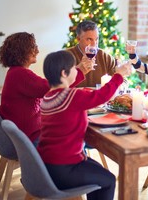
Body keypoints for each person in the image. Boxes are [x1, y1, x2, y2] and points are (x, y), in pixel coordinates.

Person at [37, 50, 130, 200]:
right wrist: (119, 75)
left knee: (99, 173)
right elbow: (102, 96)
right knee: (109, 180)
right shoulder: (72, 96)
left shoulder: (47, 97)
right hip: (65, 168)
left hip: (47, 166)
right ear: (64, 73)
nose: (77, 70)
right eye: (74, 67)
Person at [0, 32, 91, 145]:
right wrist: (80, 71)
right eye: (33, 47)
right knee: (76, 134)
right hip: (28, 138)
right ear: (21, 51)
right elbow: (52, 87)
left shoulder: (16, 72)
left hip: (25, 133)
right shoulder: (20, 74)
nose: (37, 51)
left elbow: (45, 90)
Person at [66, 20, 117, 87]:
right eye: (89, 39)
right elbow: (59, 86)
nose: (94, 44)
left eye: (96, 39)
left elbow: (118, 82)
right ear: (78, 39)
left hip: (99, 97)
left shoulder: (106, 58)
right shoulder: (66, 57)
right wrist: (79, 70)